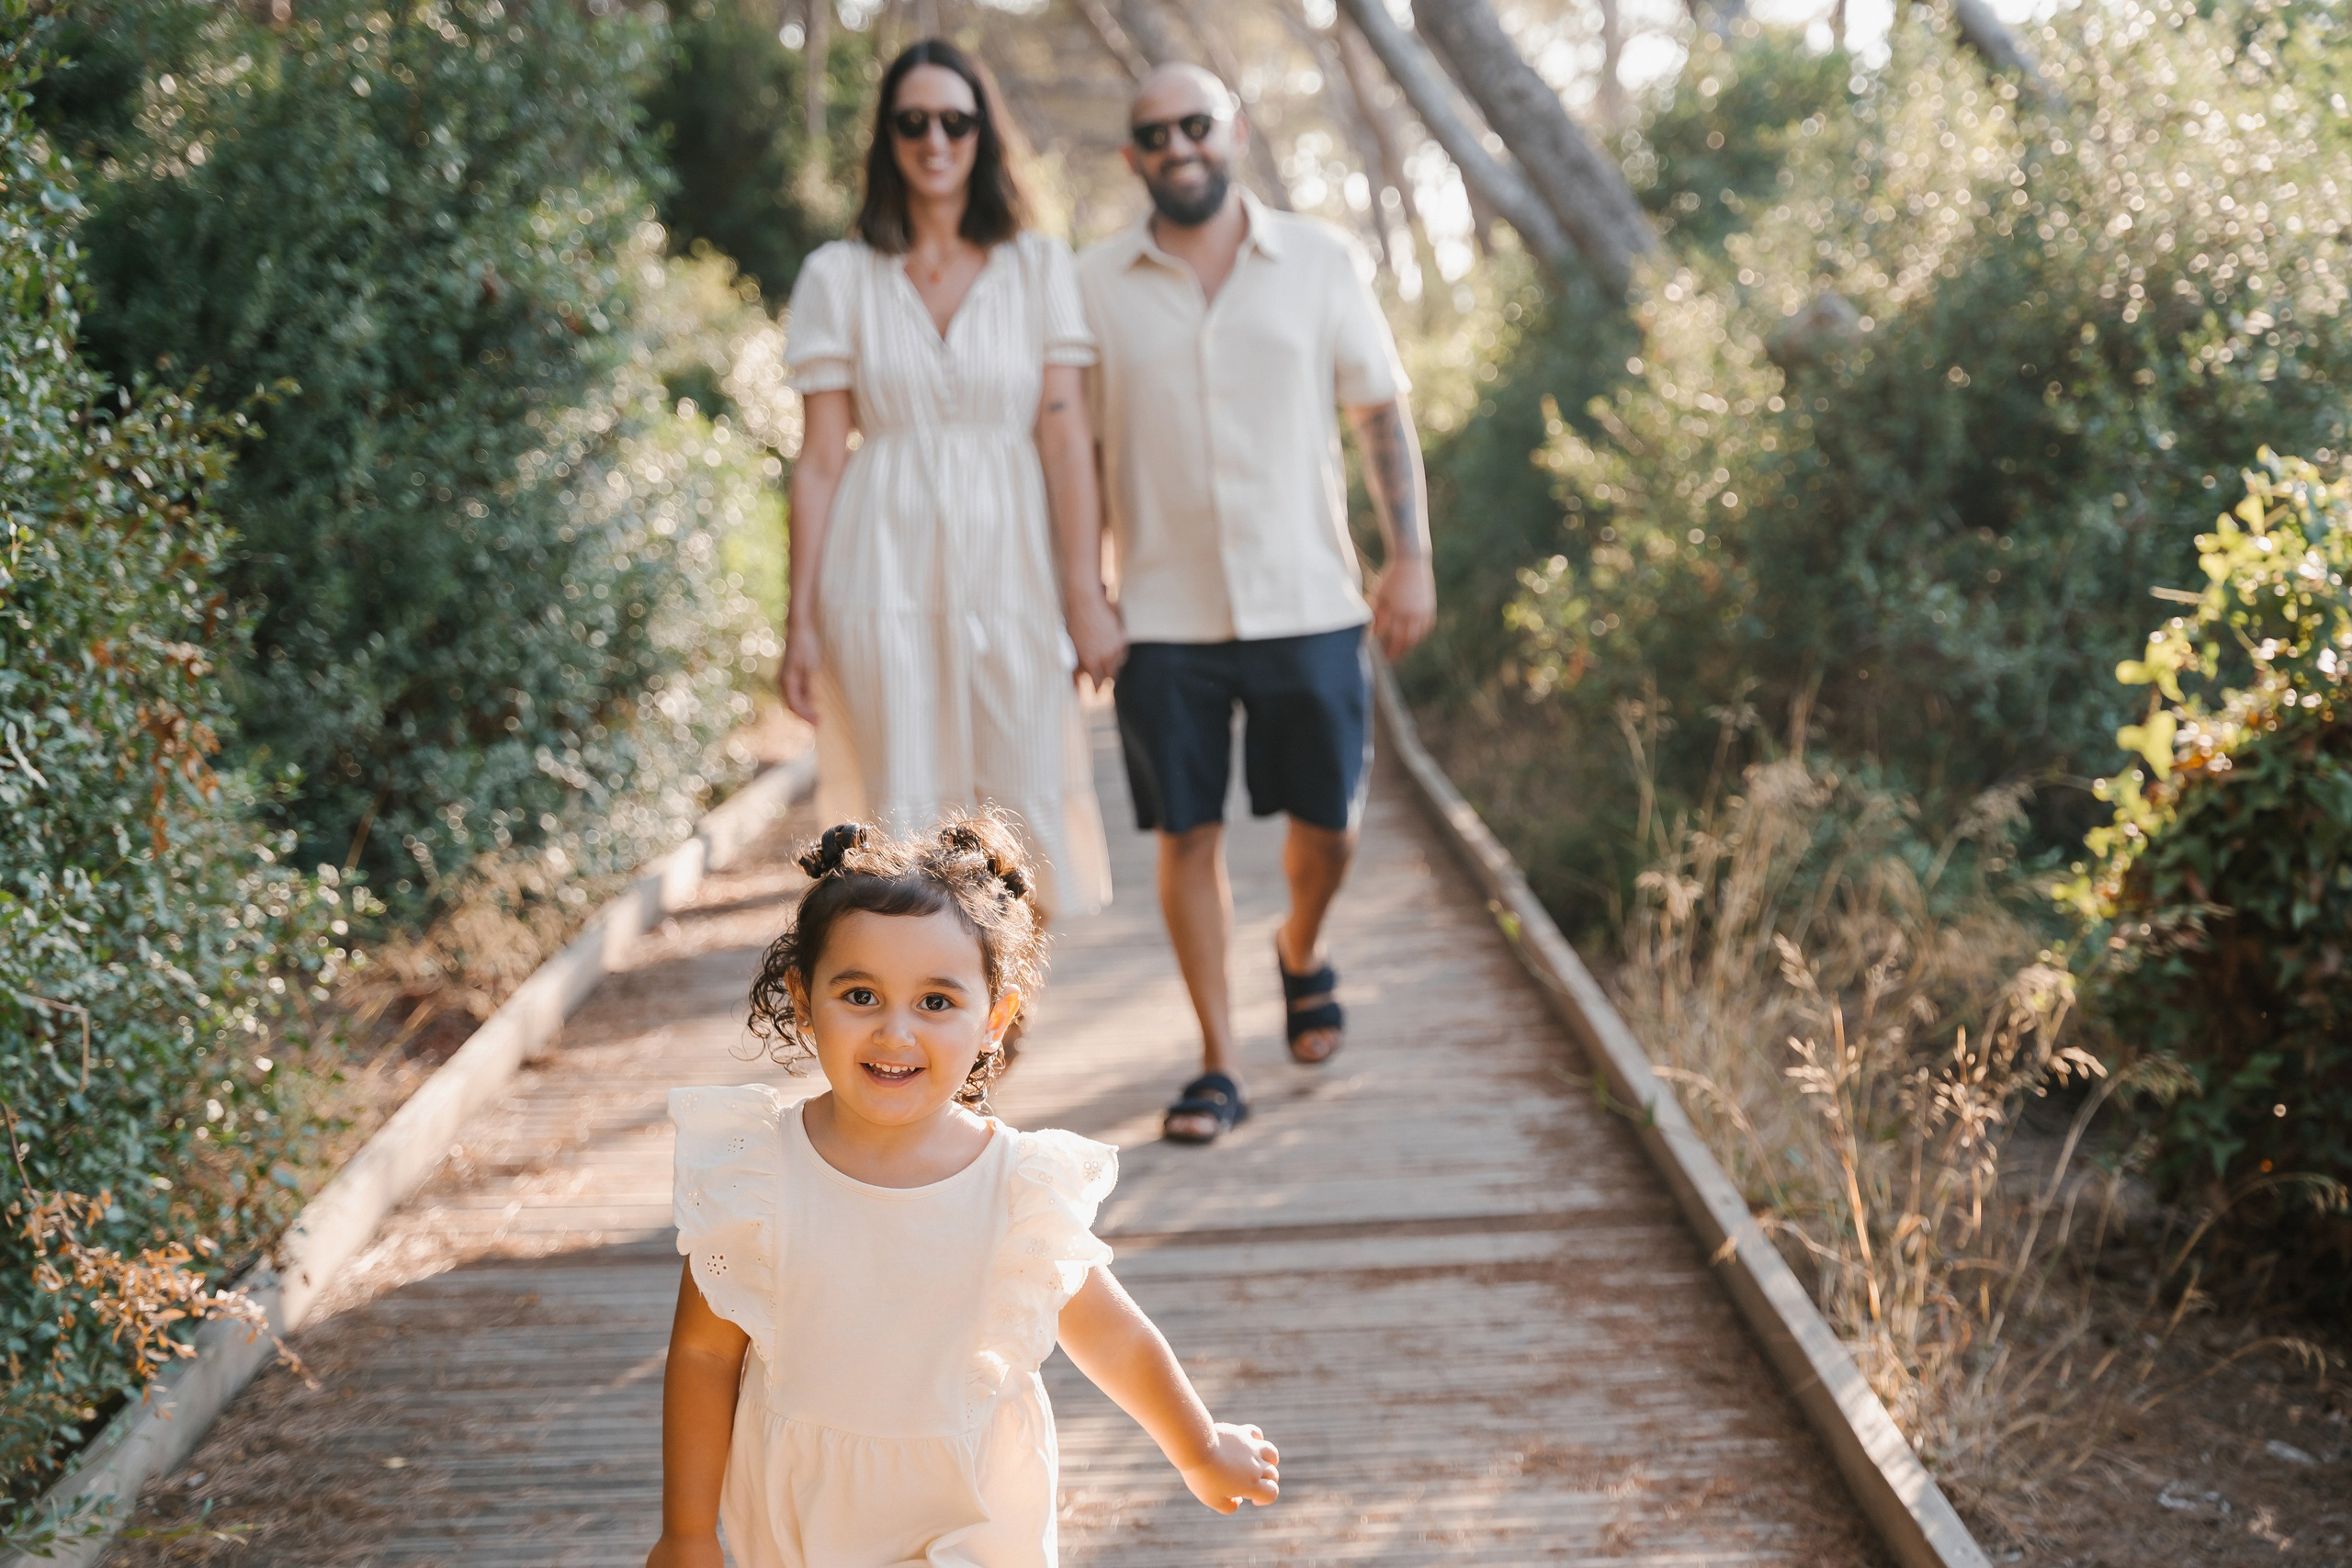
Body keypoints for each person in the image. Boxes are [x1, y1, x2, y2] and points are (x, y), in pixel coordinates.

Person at [645, 818, 1278, 1568]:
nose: (895, 1032)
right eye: (860, 994)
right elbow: (705, 1354)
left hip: (974, 1506)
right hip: (803, 1509)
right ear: (804, 1000)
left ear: (994, 1020)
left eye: (937, 1003)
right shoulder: (757, 1173)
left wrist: (1199, 1446)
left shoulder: (1017, 1186)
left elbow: (1111, 1335)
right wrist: (686, 1531)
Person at [1077, 64, 1435, 1145]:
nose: (1178, 145)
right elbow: (1076, 452)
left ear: (1232, 131)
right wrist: (1083, 588)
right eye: (1155, 133)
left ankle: (1299, 948)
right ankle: (1218, 1062)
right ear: (1133, 156)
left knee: (1329, 827)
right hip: (1161, 617)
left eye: (1197, 123)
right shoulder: (1089, 285)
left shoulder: (1320, 259)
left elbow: (1378, 413)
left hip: (1310, 600)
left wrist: (1409, 555)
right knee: (1184, 837)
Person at [778, 39, 1123, 919]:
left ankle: (1004, 1021)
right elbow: (820, 460)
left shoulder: (1039, 267)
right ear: (888, 138)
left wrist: (1086, 592)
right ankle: (930, 1036)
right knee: (902, 816)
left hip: (1014, 566)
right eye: (913, 121)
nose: (936, 139)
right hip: (878, 570)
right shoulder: (838, 276)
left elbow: (1064, 435)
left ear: (984, 135)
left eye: (956, 121)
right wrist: (798, 623)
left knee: (1024, 798)